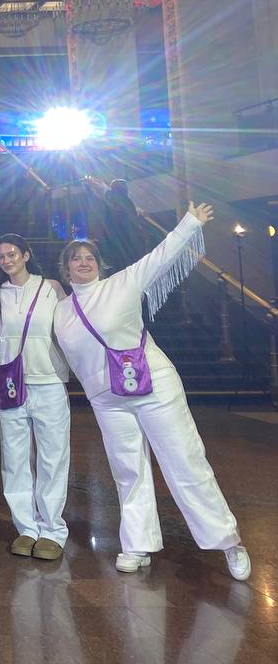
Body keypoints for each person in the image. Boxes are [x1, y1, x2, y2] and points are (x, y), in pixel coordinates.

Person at [52, 201, 250, 581]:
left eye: (89, 257)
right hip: (108, 401)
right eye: (75, 258)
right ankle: (137, 544)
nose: (83, 262)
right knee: (128, 471)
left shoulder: (122, 283)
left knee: (185, 459)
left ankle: (228, 541)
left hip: (154, 385)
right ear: (66, 268)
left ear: (99, 264)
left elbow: (161, 257)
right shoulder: (61, 311)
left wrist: (190, 223)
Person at [0, 235, 70, 561]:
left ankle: (52, 529)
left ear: (25, 255)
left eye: (12, 254)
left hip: (48, 381)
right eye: (1, 257)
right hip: (11, 384)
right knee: (15, 458)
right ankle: (26, 527)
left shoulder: (51, 288)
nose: (6, 260)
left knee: (52, 457)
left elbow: (69, 331)